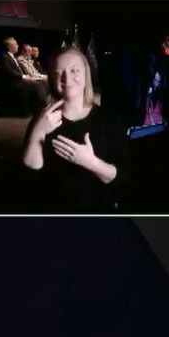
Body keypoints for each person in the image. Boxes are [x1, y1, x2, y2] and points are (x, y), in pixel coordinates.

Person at [21, 47, 131, 213]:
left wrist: (91, 162)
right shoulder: (42, 119)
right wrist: (38, 132)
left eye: (74, 70)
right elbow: (30, 175)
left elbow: (123, 176)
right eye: (59, 73)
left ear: (86, 75)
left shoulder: (110, 120)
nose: (67, 78)